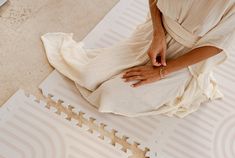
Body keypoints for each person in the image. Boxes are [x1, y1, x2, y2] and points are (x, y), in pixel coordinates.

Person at [41, 0, 235, 118]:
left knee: (109, 95)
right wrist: (158, 34)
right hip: (155, 34)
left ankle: (179, 85)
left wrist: (160, 72)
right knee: (87, 74)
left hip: (185, 58)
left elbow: (216, 46)